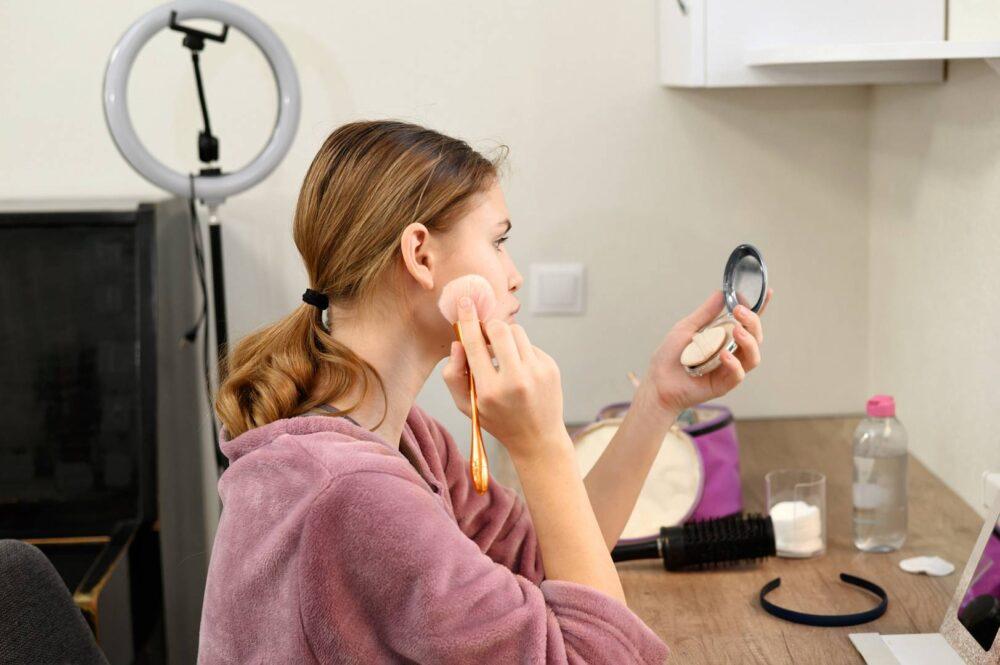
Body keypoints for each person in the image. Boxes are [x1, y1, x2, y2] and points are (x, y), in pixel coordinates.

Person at [197, 120, 771, 664]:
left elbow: (545, 559)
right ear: (420, 255)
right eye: (498, 242)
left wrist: (657, 400)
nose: (513, 274)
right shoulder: (352, 493)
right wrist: (540, 445)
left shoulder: (404, 437)